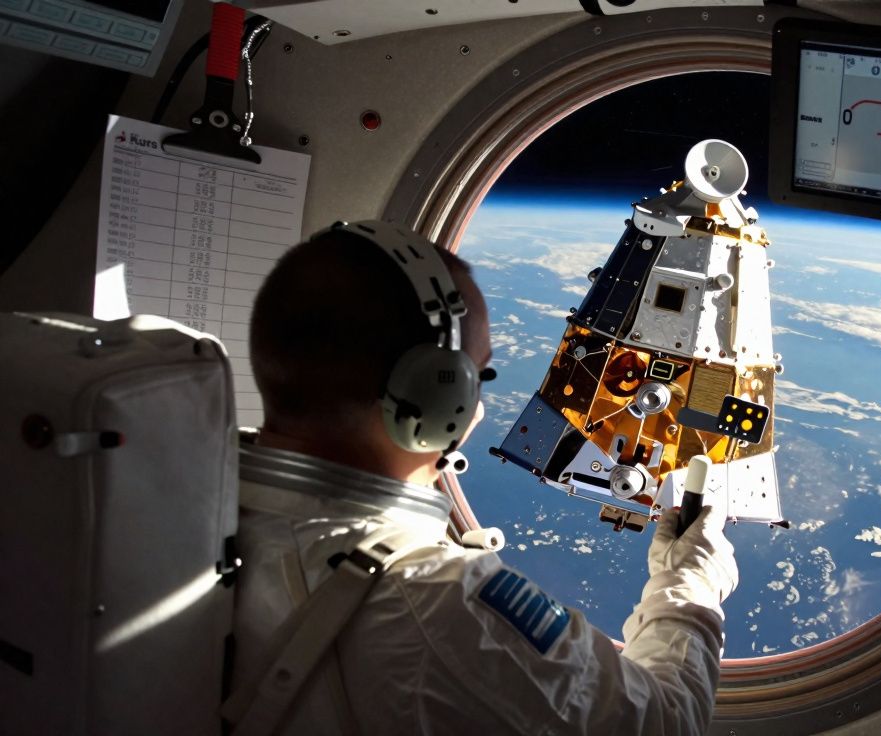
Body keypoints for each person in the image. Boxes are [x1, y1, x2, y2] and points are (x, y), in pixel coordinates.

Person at [228, 221, 739, 735]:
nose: (477, 406)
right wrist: (691, 581)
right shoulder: (442, 607)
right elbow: (666, 723)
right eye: (479, 376)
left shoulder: (198, 512)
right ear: (434, 396)